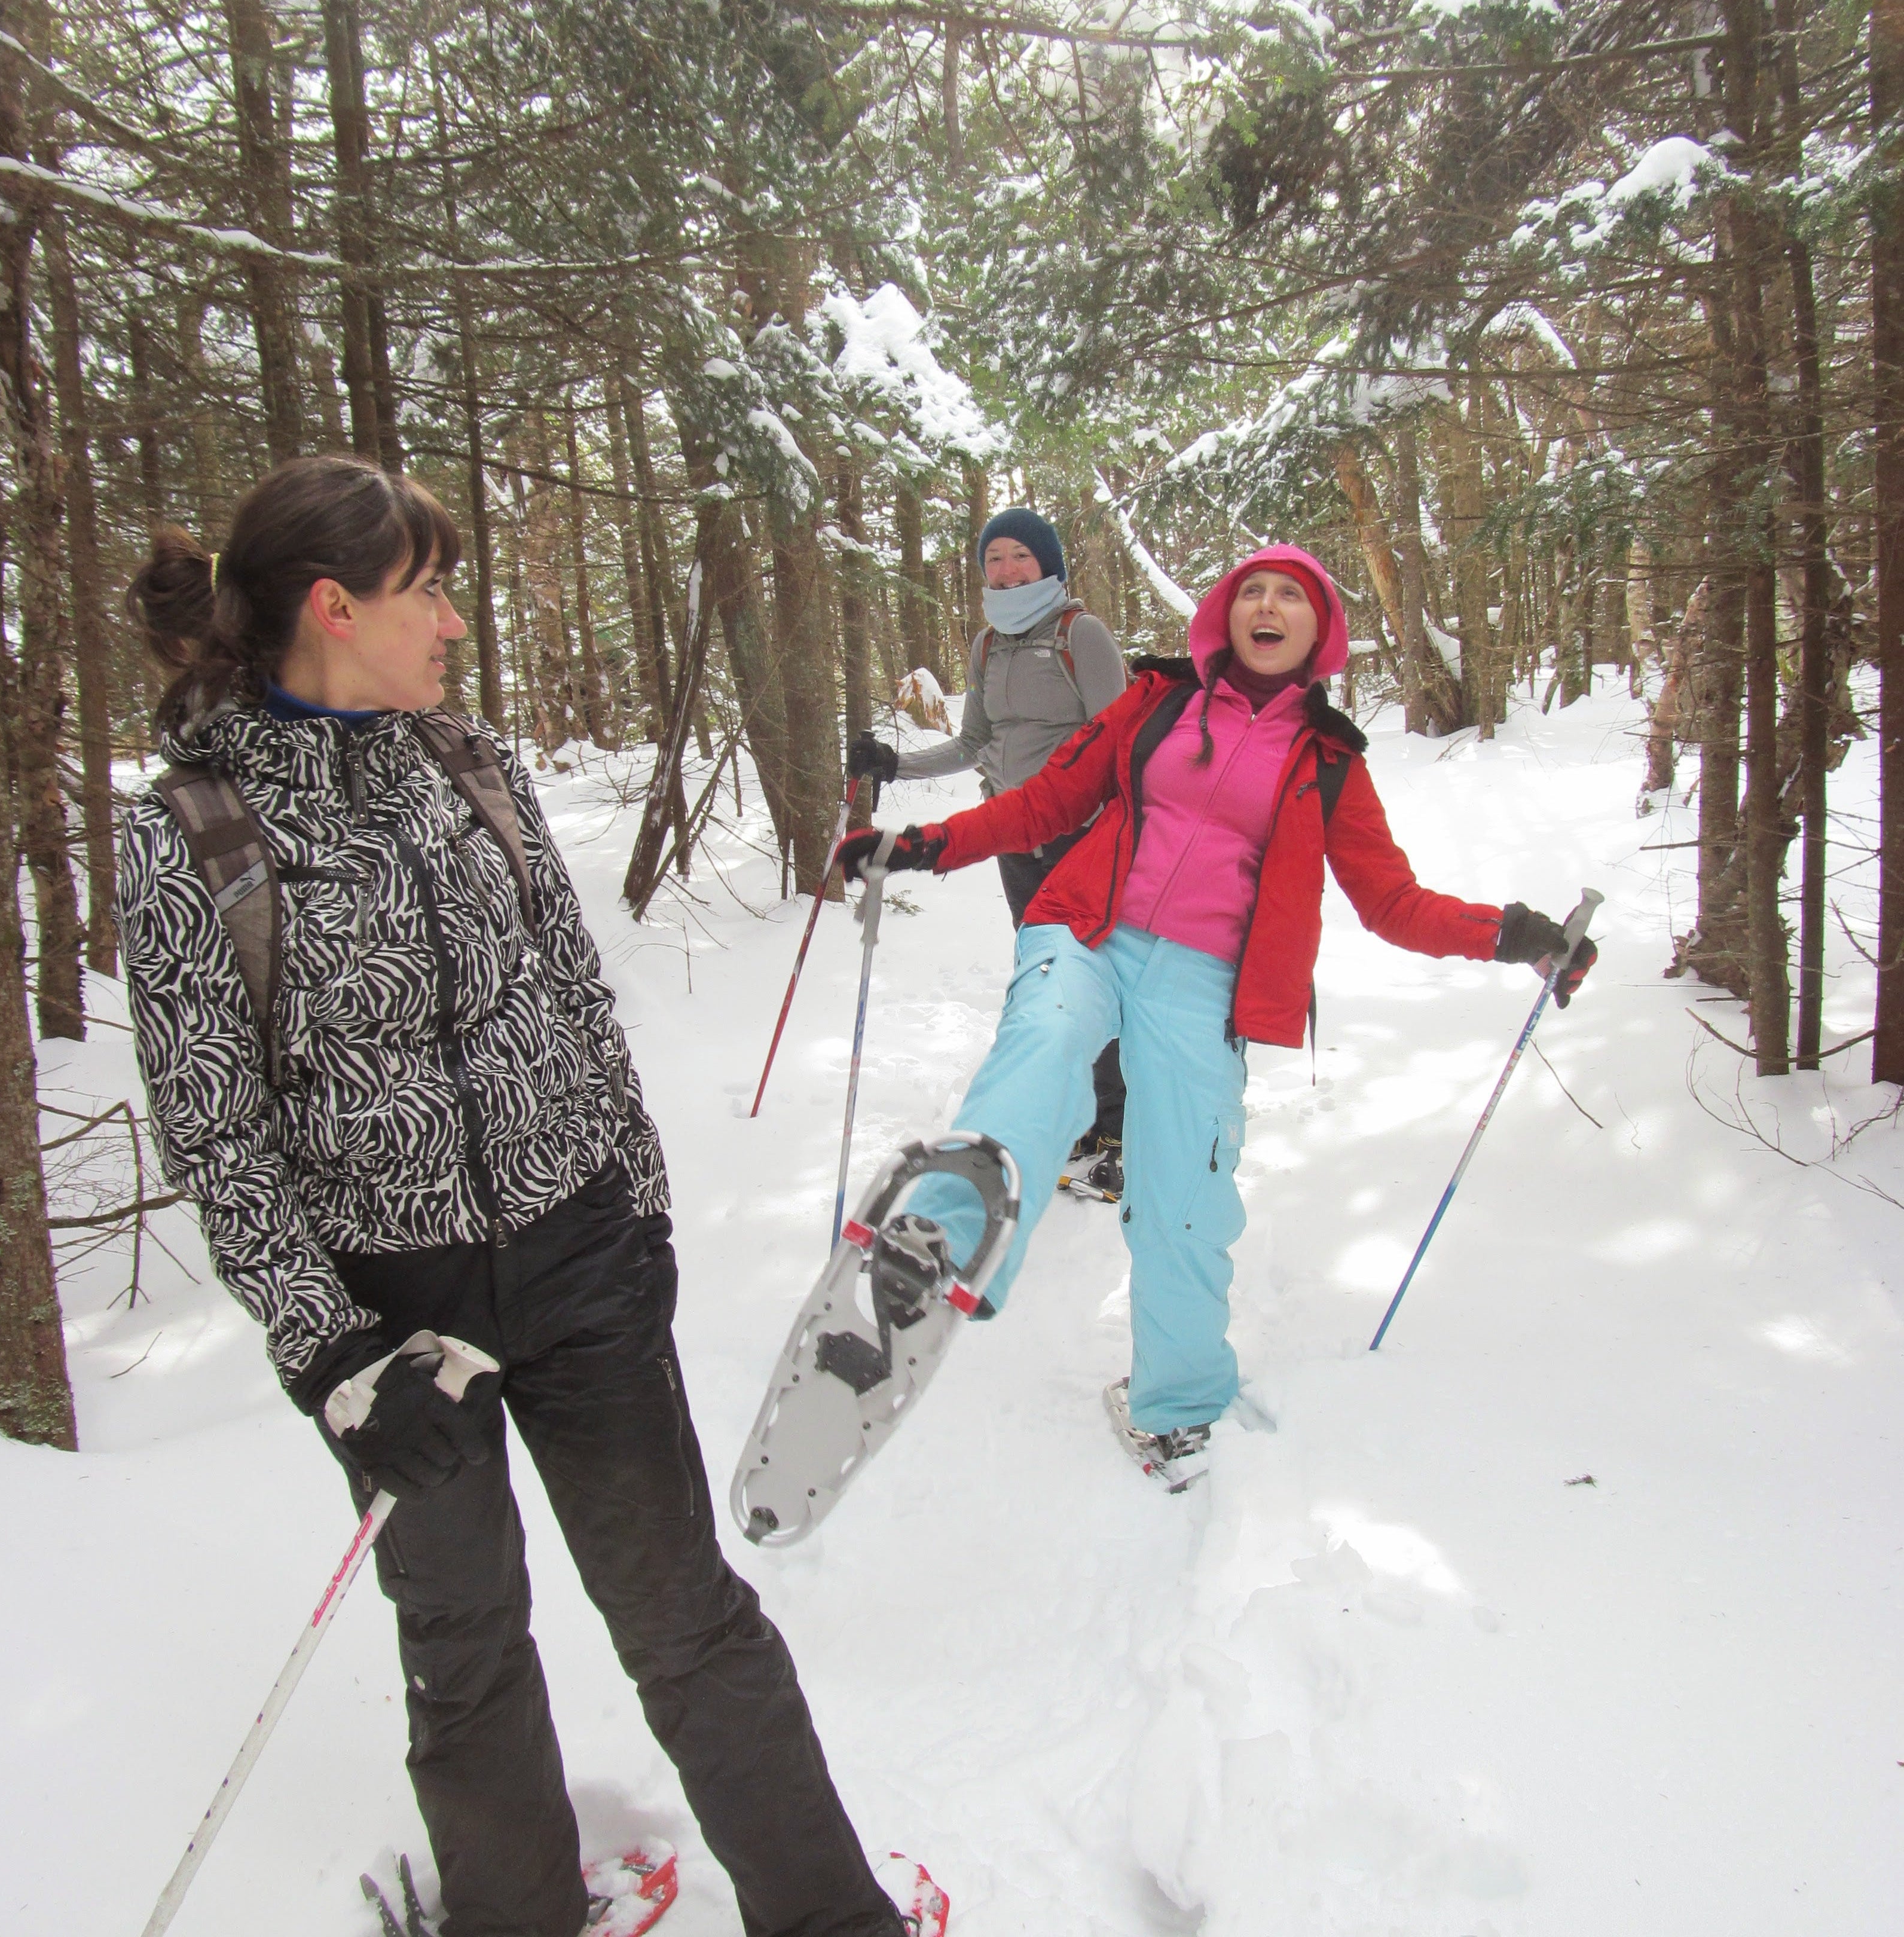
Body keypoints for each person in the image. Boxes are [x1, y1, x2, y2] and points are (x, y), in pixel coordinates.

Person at [117, 456, 913, 1937]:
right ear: (334, 607)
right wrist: (336, 1359)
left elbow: (572, 993)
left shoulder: (467, 759)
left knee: (683, 1614)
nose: (454, 622)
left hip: (582, 1254)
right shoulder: (194, 833)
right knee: (463, 1645)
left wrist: (639, 1204)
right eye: (427, 591)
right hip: (397, 1325)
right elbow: (218, 1131)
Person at [833, 544, 1596, 1472]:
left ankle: (1178, 1406)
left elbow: (1392, 902)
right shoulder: (1157, 701)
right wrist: (923, 845)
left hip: (1205, 983)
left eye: (1290, 597)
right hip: (1088, 929)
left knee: (1185, 1198)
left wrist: (1513, 934)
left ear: (1320, 631)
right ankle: (946, 1243)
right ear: (1226, 616)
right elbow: (1046, 802)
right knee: (1046, 1044)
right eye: (1252, 592)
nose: (1267, 606)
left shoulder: (1329, 763)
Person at [847, 508, 1132, 1197]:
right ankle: (1084, 1118)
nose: (1006, 570)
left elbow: (1121, 742)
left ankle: (1124, 1130)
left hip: (1082, 837)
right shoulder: (986, 646)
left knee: (1093, 981)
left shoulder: (1081, 634)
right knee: (1047, 984)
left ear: (1047, 564)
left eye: (1019, 556)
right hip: (1016, 840)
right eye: (994, 558)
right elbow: (974, 743)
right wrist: (896, 764)